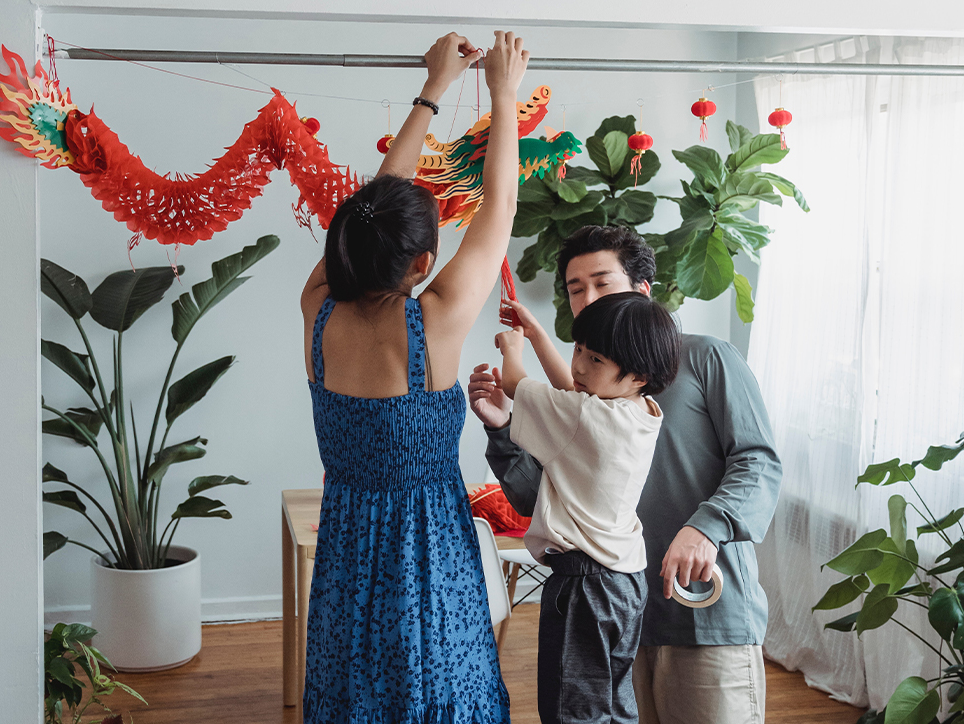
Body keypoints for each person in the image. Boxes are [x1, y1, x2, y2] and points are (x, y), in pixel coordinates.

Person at [299, 31, 528, 724]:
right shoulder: (435, 319)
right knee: (438, 685)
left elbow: (370, 208)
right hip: (427, 544)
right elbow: (500, 208)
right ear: (422, 263)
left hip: (346, 540)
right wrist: (503, 92)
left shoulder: (318, 307)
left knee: (353, 686)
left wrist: (434, 92)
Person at [470, 225, 783, 724]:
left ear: (643, 291)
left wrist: (705, 527)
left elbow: (759, 463)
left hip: (704, 616)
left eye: (602, 283)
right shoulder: (582, 397)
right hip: (614, 618)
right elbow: (535, 497)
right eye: (576, 290)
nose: (588, 299)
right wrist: (502, 430)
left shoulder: (706, 357)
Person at [492, 291, 679, 724]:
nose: (578, 365)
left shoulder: (586, 417)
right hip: (625, 582)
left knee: (572, 712)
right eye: (578, 349)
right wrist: (539, 336)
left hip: (584, 586)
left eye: (595, 360)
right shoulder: (641, 411)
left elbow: (515, 384)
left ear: (637, 374)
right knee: (613, 704)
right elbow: (575, 398)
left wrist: (514, 349)